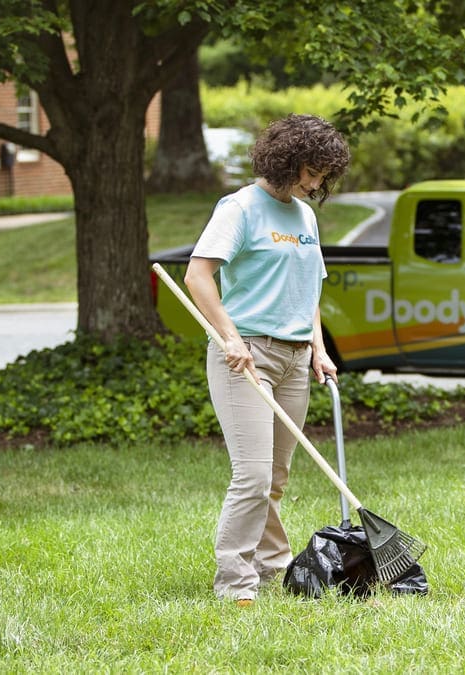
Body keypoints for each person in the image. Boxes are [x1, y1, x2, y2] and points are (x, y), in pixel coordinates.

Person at [184, 113, 350, 606]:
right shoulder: (239, 208)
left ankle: (273, 566)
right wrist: (229, 338)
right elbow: (197, 277)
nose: (316, 184)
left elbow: (309, 289)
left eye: (323, 175)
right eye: (311, 172)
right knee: (252, 475)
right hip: (247, 356)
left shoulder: (305, 216)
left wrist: (319, 348)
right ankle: (235, 581)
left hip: (297, 359)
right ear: (286, 160)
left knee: (275, 478)